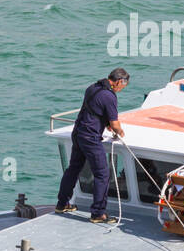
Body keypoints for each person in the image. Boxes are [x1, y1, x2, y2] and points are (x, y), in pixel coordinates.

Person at [55, 68, 130, 223]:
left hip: (78, 133)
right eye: (123, 86)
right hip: (90, 138)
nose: (122, 89)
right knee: (102, 174)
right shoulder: (109, 96)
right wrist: (119, 131)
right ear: (118, 81)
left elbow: (94, 110)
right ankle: (98, 213)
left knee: (73, 169)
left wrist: (105, 123)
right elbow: (115, 124)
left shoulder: (93, 88)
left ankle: (62, 204)